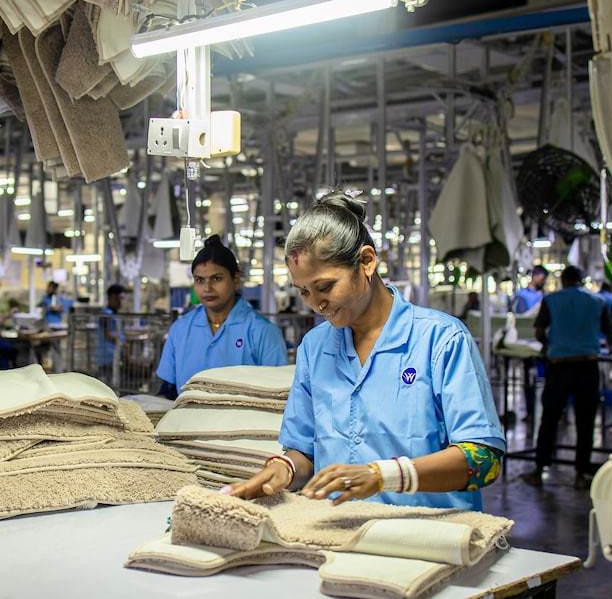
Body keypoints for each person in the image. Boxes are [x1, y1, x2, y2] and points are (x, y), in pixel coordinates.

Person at [221, 193, 506, 511]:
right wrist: (282, 469)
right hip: (341, 532)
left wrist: (386, 475)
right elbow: (305, 451)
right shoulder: (315, 349)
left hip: (429, 536)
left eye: (326, 287)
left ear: (367, 262)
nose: (316, 303)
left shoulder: (441, 340)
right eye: (304, 291)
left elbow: (484, 460)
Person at [156, 235, 287, 397]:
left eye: (216, 278)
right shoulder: (180, 329)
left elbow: (278, 394)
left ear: (236, 279)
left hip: (245, 422)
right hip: (187, 420)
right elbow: (168, 390)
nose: (207, 288)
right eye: (200, 280)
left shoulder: (263, 332)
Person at [521, 265, 612, 490]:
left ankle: (538, 470)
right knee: (585, 422)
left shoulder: (552, 300)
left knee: (549, 419)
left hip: (559, 367)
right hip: (588, 366)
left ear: (563, 280)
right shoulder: (598, 301)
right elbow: (610, 335)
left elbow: (539, 332)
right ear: (581, 281)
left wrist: (551, 344)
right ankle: (580, 474)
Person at [96, 284, 127, 385]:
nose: (120, 301)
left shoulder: (114, 314)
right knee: (111, 384)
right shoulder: (106, 314)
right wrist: (123, 344)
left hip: (115, 355)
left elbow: (121, 332)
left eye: (122, 298)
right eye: (116, 298)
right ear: (109, 298)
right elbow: (107, 334)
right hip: (108, 356)